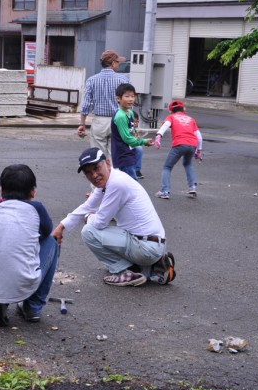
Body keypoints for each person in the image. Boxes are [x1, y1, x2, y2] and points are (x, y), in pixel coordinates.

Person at [52, 147, 175, 287]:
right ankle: (154, 268)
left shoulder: (117, 183)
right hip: (151, 244)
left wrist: (88, 217)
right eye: (88, 172)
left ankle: (124, 272)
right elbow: (87, 206)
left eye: (96, 168)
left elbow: (99, 223)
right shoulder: (109, 181)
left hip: (146, 247)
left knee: (89, 232)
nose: (94, 175)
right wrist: (61, 227)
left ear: (108, 163)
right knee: (106, 229)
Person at [0, 164, 59, 326]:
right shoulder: (36, 208)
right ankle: (32, 307)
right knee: (51, 242)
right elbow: (46, 231)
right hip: (23, 282)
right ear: (33, 191)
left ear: (1, 190)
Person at [78, 50, 129, 160]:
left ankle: (101, 175)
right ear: (113, 63)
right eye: (118, 62)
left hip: (99, 121)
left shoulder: (91, 80)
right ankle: (113, 175)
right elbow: (128, 103)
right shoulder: (123, 79)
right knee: (115, 155)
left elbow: (85, 104)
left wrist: (82, 123)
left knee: (98, 155)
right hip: (118, 120)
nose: (119, 65)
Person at [154, 100, 203, 199]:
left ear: (170, 111)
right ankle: (192, 186)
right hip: (192, 144)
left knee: (167, 167)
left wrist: (159, 136)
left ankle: (165, 191)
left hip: (179, 144)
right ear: (183, 109)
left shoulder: (171, 117)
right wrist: (199, 150)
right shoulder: (191, 119)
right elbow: (199, 137)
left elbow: (166, 125)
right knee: (188, 164)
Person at [111, 83, 152, 180]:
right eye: (127, 96)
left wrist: (137, 137)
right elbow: (127, 139)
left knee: (125, 185)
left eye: (133, 96)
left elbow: (132, 131)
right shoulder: (120, 116)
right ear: (118, 99)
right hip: (122, 154)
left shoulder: (130, 112)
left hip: (129, 152)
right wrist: (143, 141)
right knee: (133, 183)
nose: (130, 99)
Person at [133, 112, 145, 179]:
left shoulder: (135, 130)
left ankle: (137, 170)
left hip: (132, 144)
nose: (136, 123)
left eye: (137, 121)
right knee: (138, 148)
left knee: (139, 148)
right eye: (134, 122)